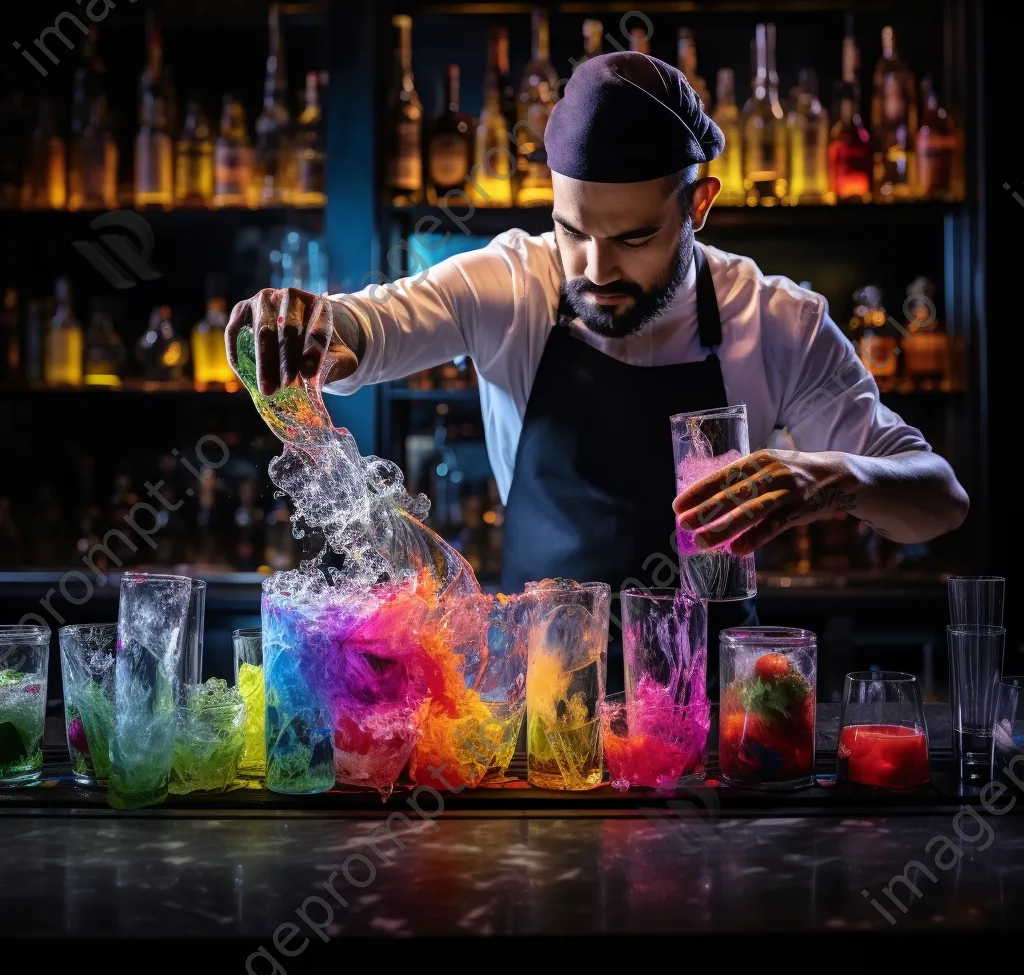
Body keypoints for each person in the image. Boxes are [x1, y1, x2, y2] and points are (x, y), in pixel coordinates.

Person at [226, 51, 969, 686]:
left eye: (636, 236)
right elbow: (371, 321)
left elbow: (940, 501)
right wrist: (315, 327)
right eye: (572, 230)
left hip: (711, 724)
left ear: (699, 204)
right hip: (537, 715)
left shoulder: (777, 320)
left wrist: (833, 479)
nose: (596, 268)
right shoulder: (511, 283)